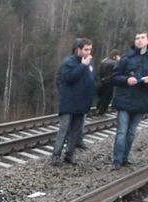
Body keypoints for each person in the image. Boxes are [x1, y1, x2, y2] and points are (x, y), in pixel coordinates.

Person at [111, 32, 148, 168]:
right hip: (124, 99)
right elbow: (114, 77)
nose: (139, 41)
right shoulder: (126, 57)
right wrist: (127, 80)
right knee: (122, 132)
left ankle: (124, 158)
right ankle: (117, 160)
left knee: (131, 133)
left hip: (141, 101)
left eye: (142, 38)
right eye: (137, 38)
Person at [51, 38, 95, 166]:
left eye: (90, 49)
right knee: (64, 129)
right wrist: (83, 66)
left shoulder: (89, 63)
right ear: (78, 49)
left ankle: (69, 156)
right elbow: (69, 78)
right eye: (86, 49)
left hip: (82, 103)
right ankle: (56, 156)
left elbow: (92, 80)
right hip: (69, 102)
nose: (88, 52)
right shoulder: (69, 62)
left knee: (76, 131)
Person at [96, 50, 120, 115]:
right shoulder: (115, 63)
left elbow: (100, 71)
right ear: (115, 55)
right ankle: (102, 111)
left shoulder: (104, 61)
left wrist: (101, 79)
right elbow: (116, 73)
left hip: (102, 81)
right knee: (107, 97)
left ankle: (98, 108)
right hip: (110, 81)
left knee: (102, 96)